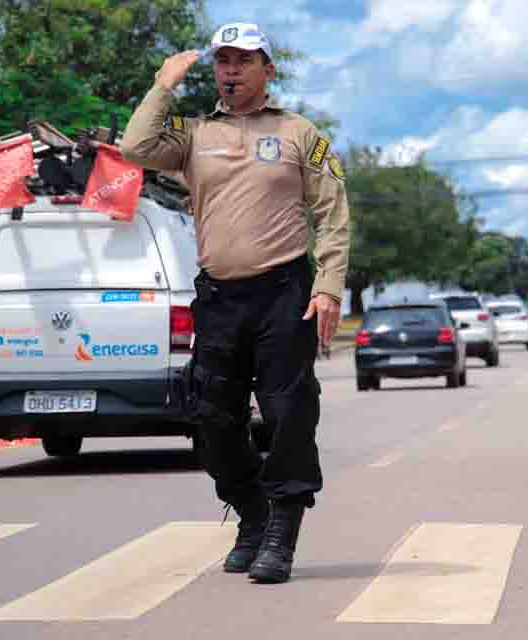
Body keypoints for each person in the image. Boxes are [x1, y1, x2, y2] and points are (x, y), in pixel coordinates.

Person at [121, 22, 350, 582]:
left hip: (284, 294)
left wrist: (328, 285)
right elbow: (135, 148)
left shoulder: (301, 133)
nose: (231, 69)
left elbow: (333, 212)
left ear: (267, 70)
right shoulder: (191, 133)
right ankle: (252, 512)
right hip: (220, 297)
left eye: (244, 60)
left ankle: (281, 534)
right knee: (211, 418)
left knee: (289, 413)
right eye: (223, 60)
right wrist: (163, 85)